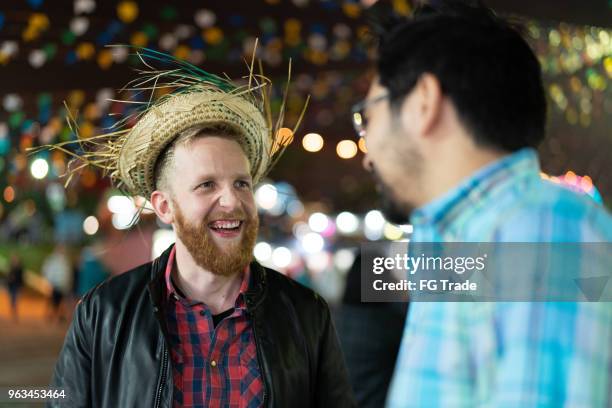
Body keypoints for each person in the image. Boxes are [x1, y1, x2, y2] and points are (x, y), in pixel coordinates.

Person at [47, 49, 355, 407]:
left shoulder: (306, 316)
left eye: (241, 184)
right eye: (207, 184)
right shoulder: (103, 315)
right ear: (165, 207)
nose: (232, 201)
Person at [356, 1, 612, 406]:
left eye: (366, 118)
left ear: (424, 101)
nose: (367, 154)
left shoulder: (539, 230)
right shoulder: (462, 241)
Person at [42, 245, 72, 323]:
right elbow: (48, 271)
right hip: (54, 284)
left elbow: (67, 274)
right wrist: (48, 283)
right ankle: (52, 316)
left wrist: (67, 283)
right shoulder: (52, 260)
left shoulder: (64, 260)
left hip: (62, 285)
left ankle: (58, 316)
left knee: (59, 302)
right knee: (54, 301)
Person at [7, 253, 24, 322]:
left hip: (17, 286)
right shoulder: (11, 267)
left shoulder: (20, 268)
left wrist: (21, 286)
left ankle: (15, 313)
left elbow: (21, 278)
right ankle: (13, 311)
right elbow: (8, 277)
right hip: (11, 286)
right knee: (12, 299)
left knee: (15, 299)